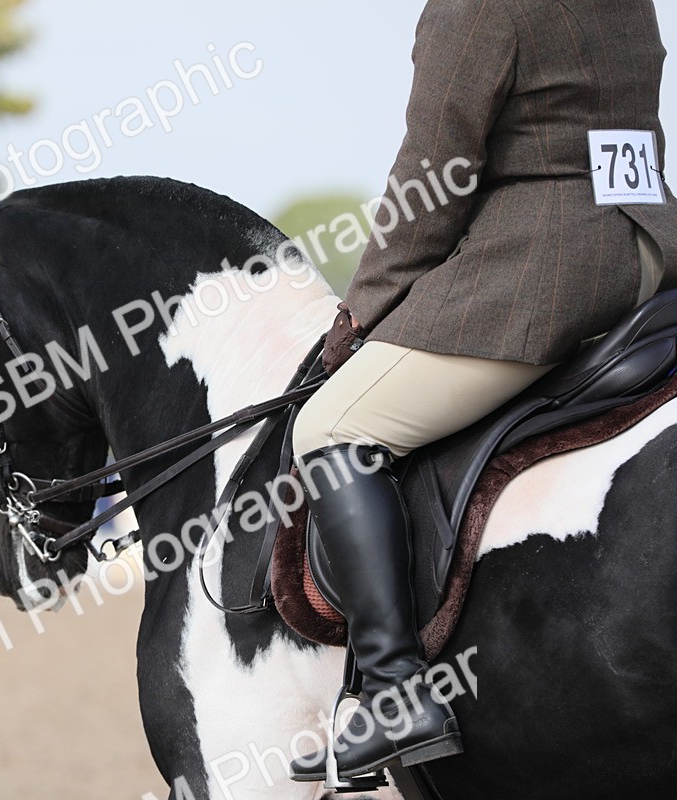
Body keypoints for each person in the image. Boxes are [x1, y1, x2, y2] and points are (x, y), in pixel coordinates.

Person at [288, 0, 677, 782]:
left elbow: (432, 179)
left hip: (547, 267)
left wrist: (364, 307)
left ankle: (395, 695)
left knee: (329, 427)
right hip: (649, 248)